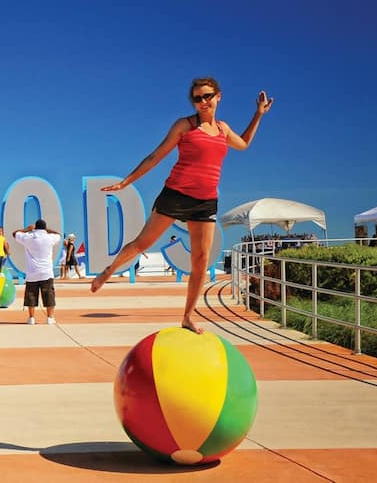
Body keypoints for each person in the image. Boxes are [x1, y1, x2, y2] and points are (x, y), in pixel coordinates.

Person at [93, 77, 273, 334]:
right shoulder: (185, 126)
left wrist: (258, 115)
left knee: (201, 259)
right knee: (142, 244)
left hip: (206, 201)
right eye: (198, 98)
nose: (203, 102)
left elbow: (243, 144)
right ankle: (108, 271)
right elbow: (155, 156)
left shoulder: (223, 129)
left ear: (218, 96)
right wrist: (126, 182)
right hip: (175, 195)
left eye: (208, 96)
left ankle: (188, 316)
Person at [14, 220, 62, 325]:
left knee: (31, 296)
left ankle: (31, 318)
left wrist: (28, 229)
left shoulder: (28, 237)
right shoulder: (49, 238)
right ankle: (50, 318)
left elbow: (15, 234)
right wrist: (47, 230)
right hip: (46, 272)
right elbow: (58, 235)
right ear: (44, 228)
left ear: (35, 228)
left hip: (32, 273)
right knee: (49, 295)